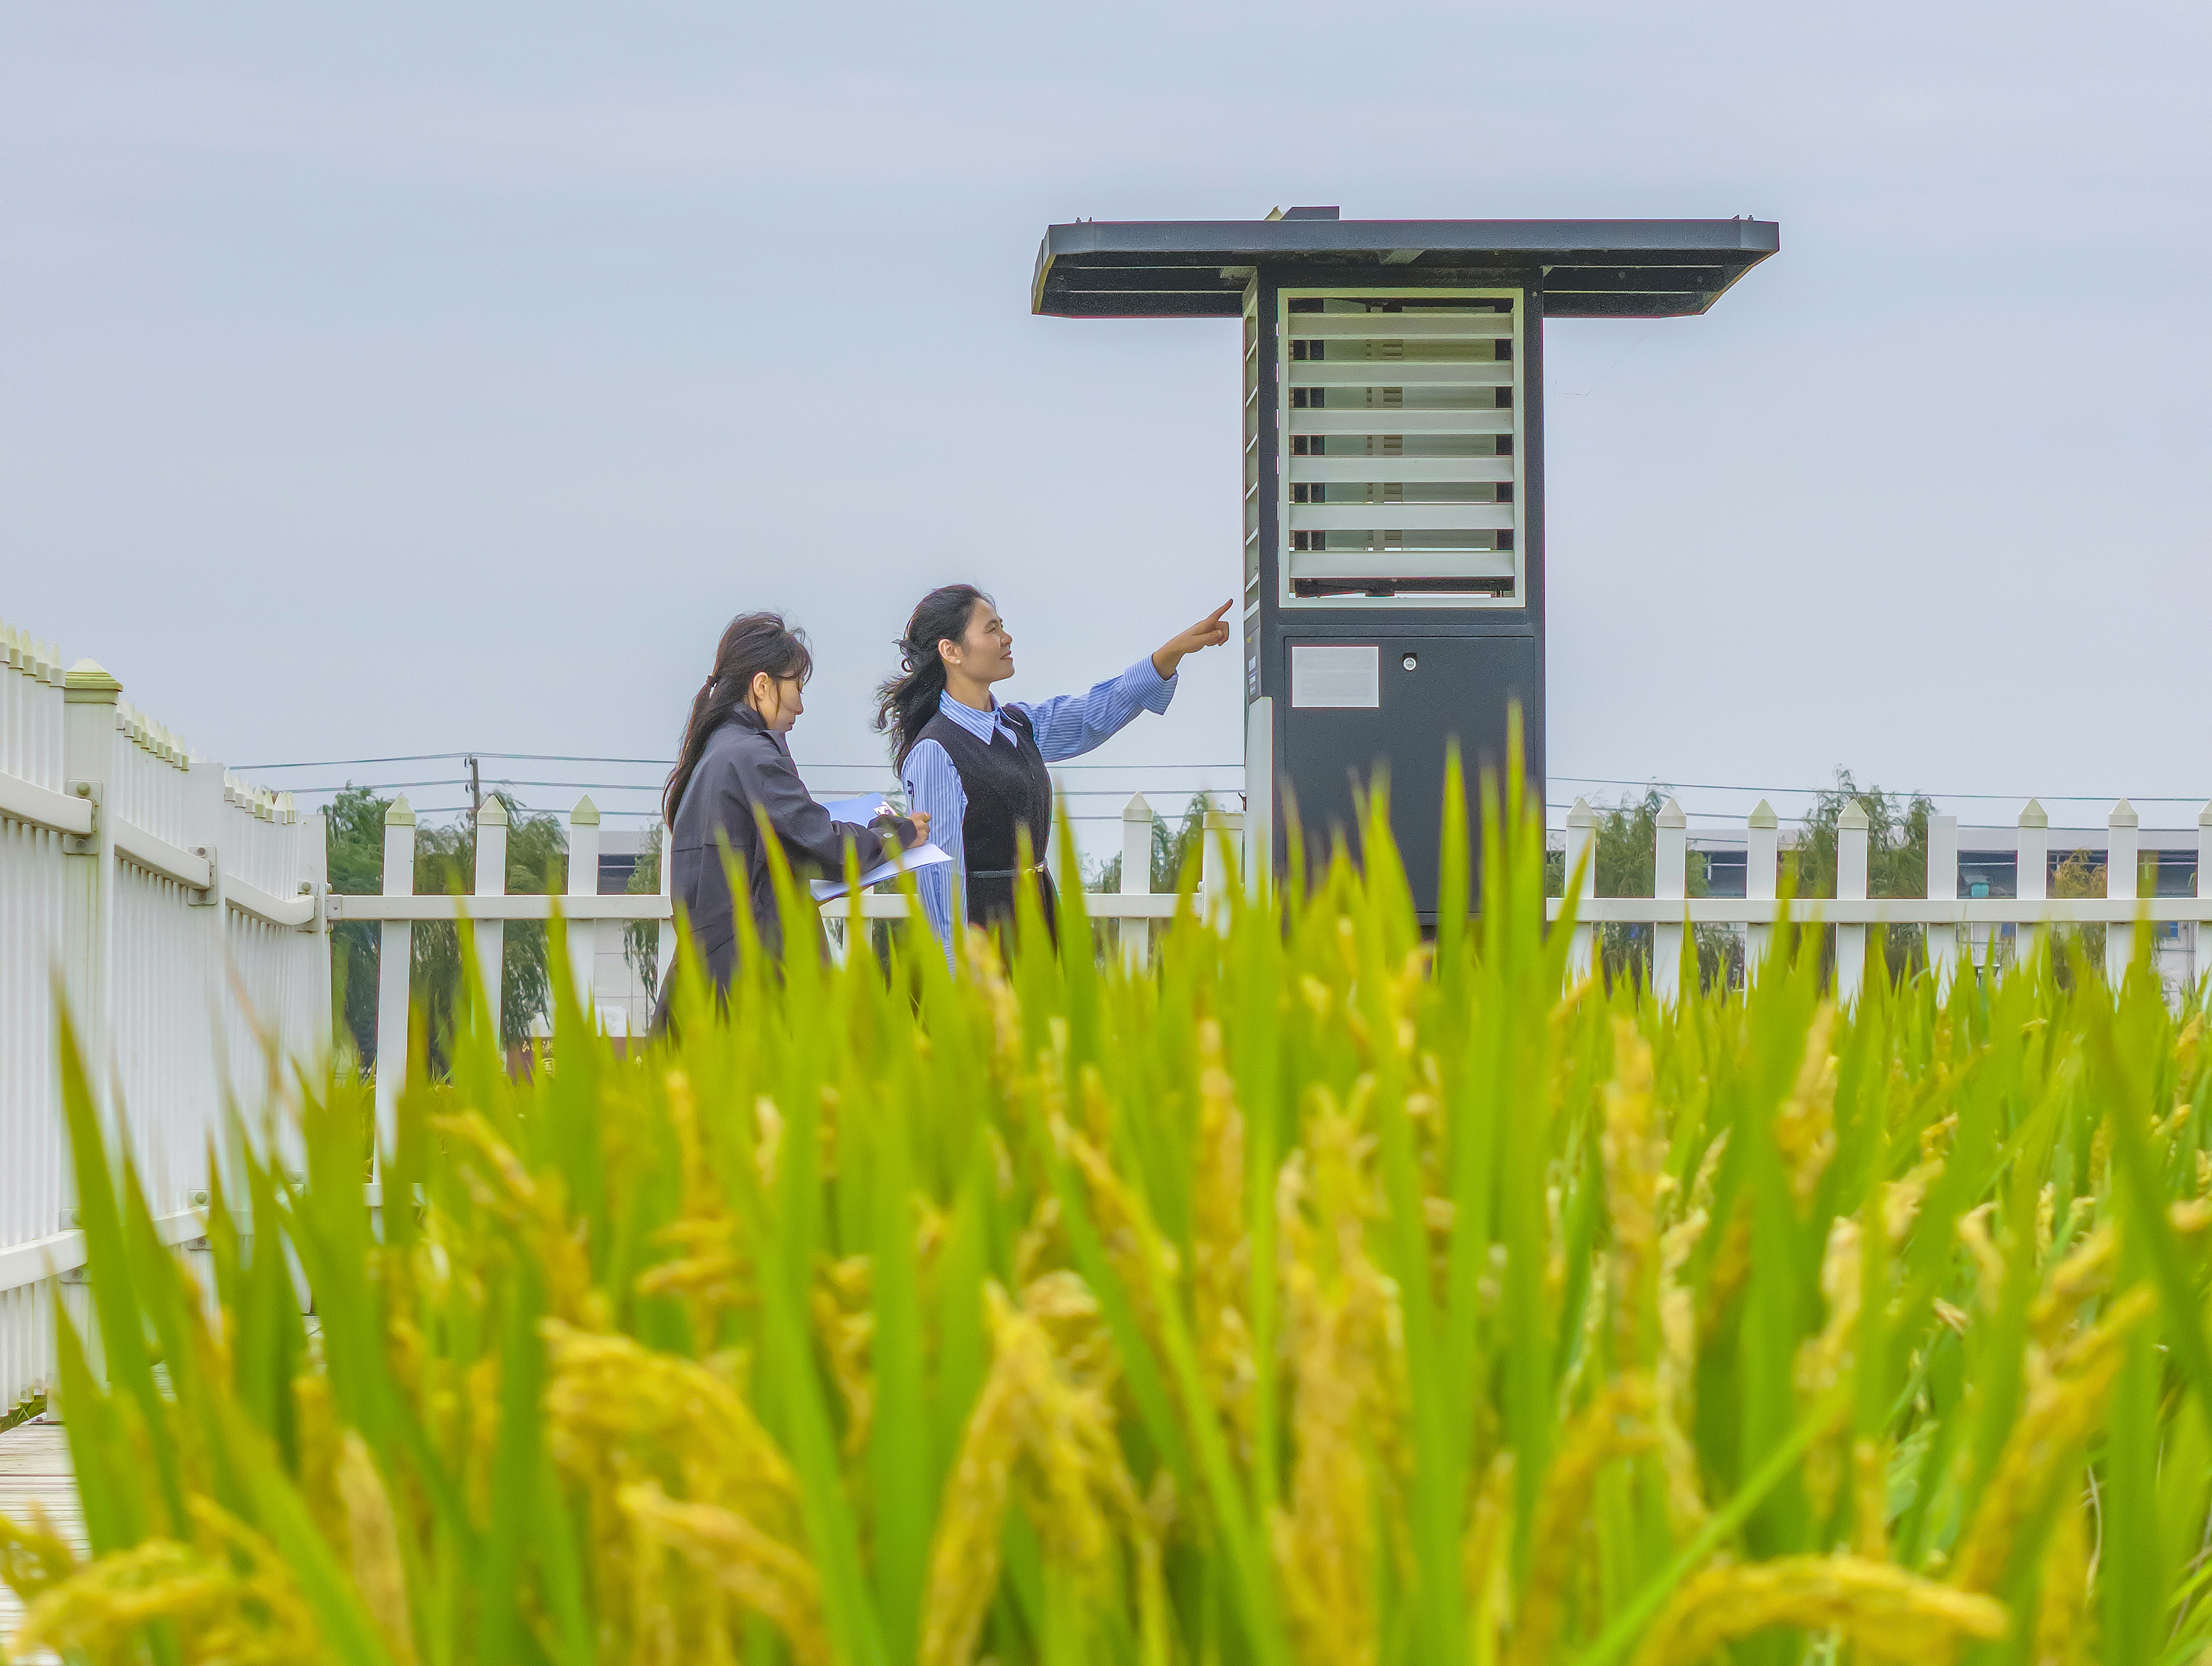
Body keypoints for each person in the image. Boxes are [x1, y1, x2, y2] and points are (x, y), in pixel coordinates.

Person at [875, 585, 1231, 955]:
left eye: (1002, 626)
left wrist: (1170, 654)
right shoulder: (935, 750)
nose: (1006, 637)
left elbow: (1091, 715)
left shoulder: (1018, 726)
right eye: (992, 629)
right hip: (986, 945)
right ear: (951, 651)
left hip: (1041, 926)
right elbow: (939, 875)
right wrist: (955, 971)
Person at [658, 613, 925, 1016]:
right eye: (796, 686)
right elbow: (824, 844)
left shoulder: (715, 751)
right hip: (756, 975)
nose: (800, 705)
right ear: (762, 685)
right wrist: (896, 834)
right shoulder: (753, 755)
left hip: (708, 972)